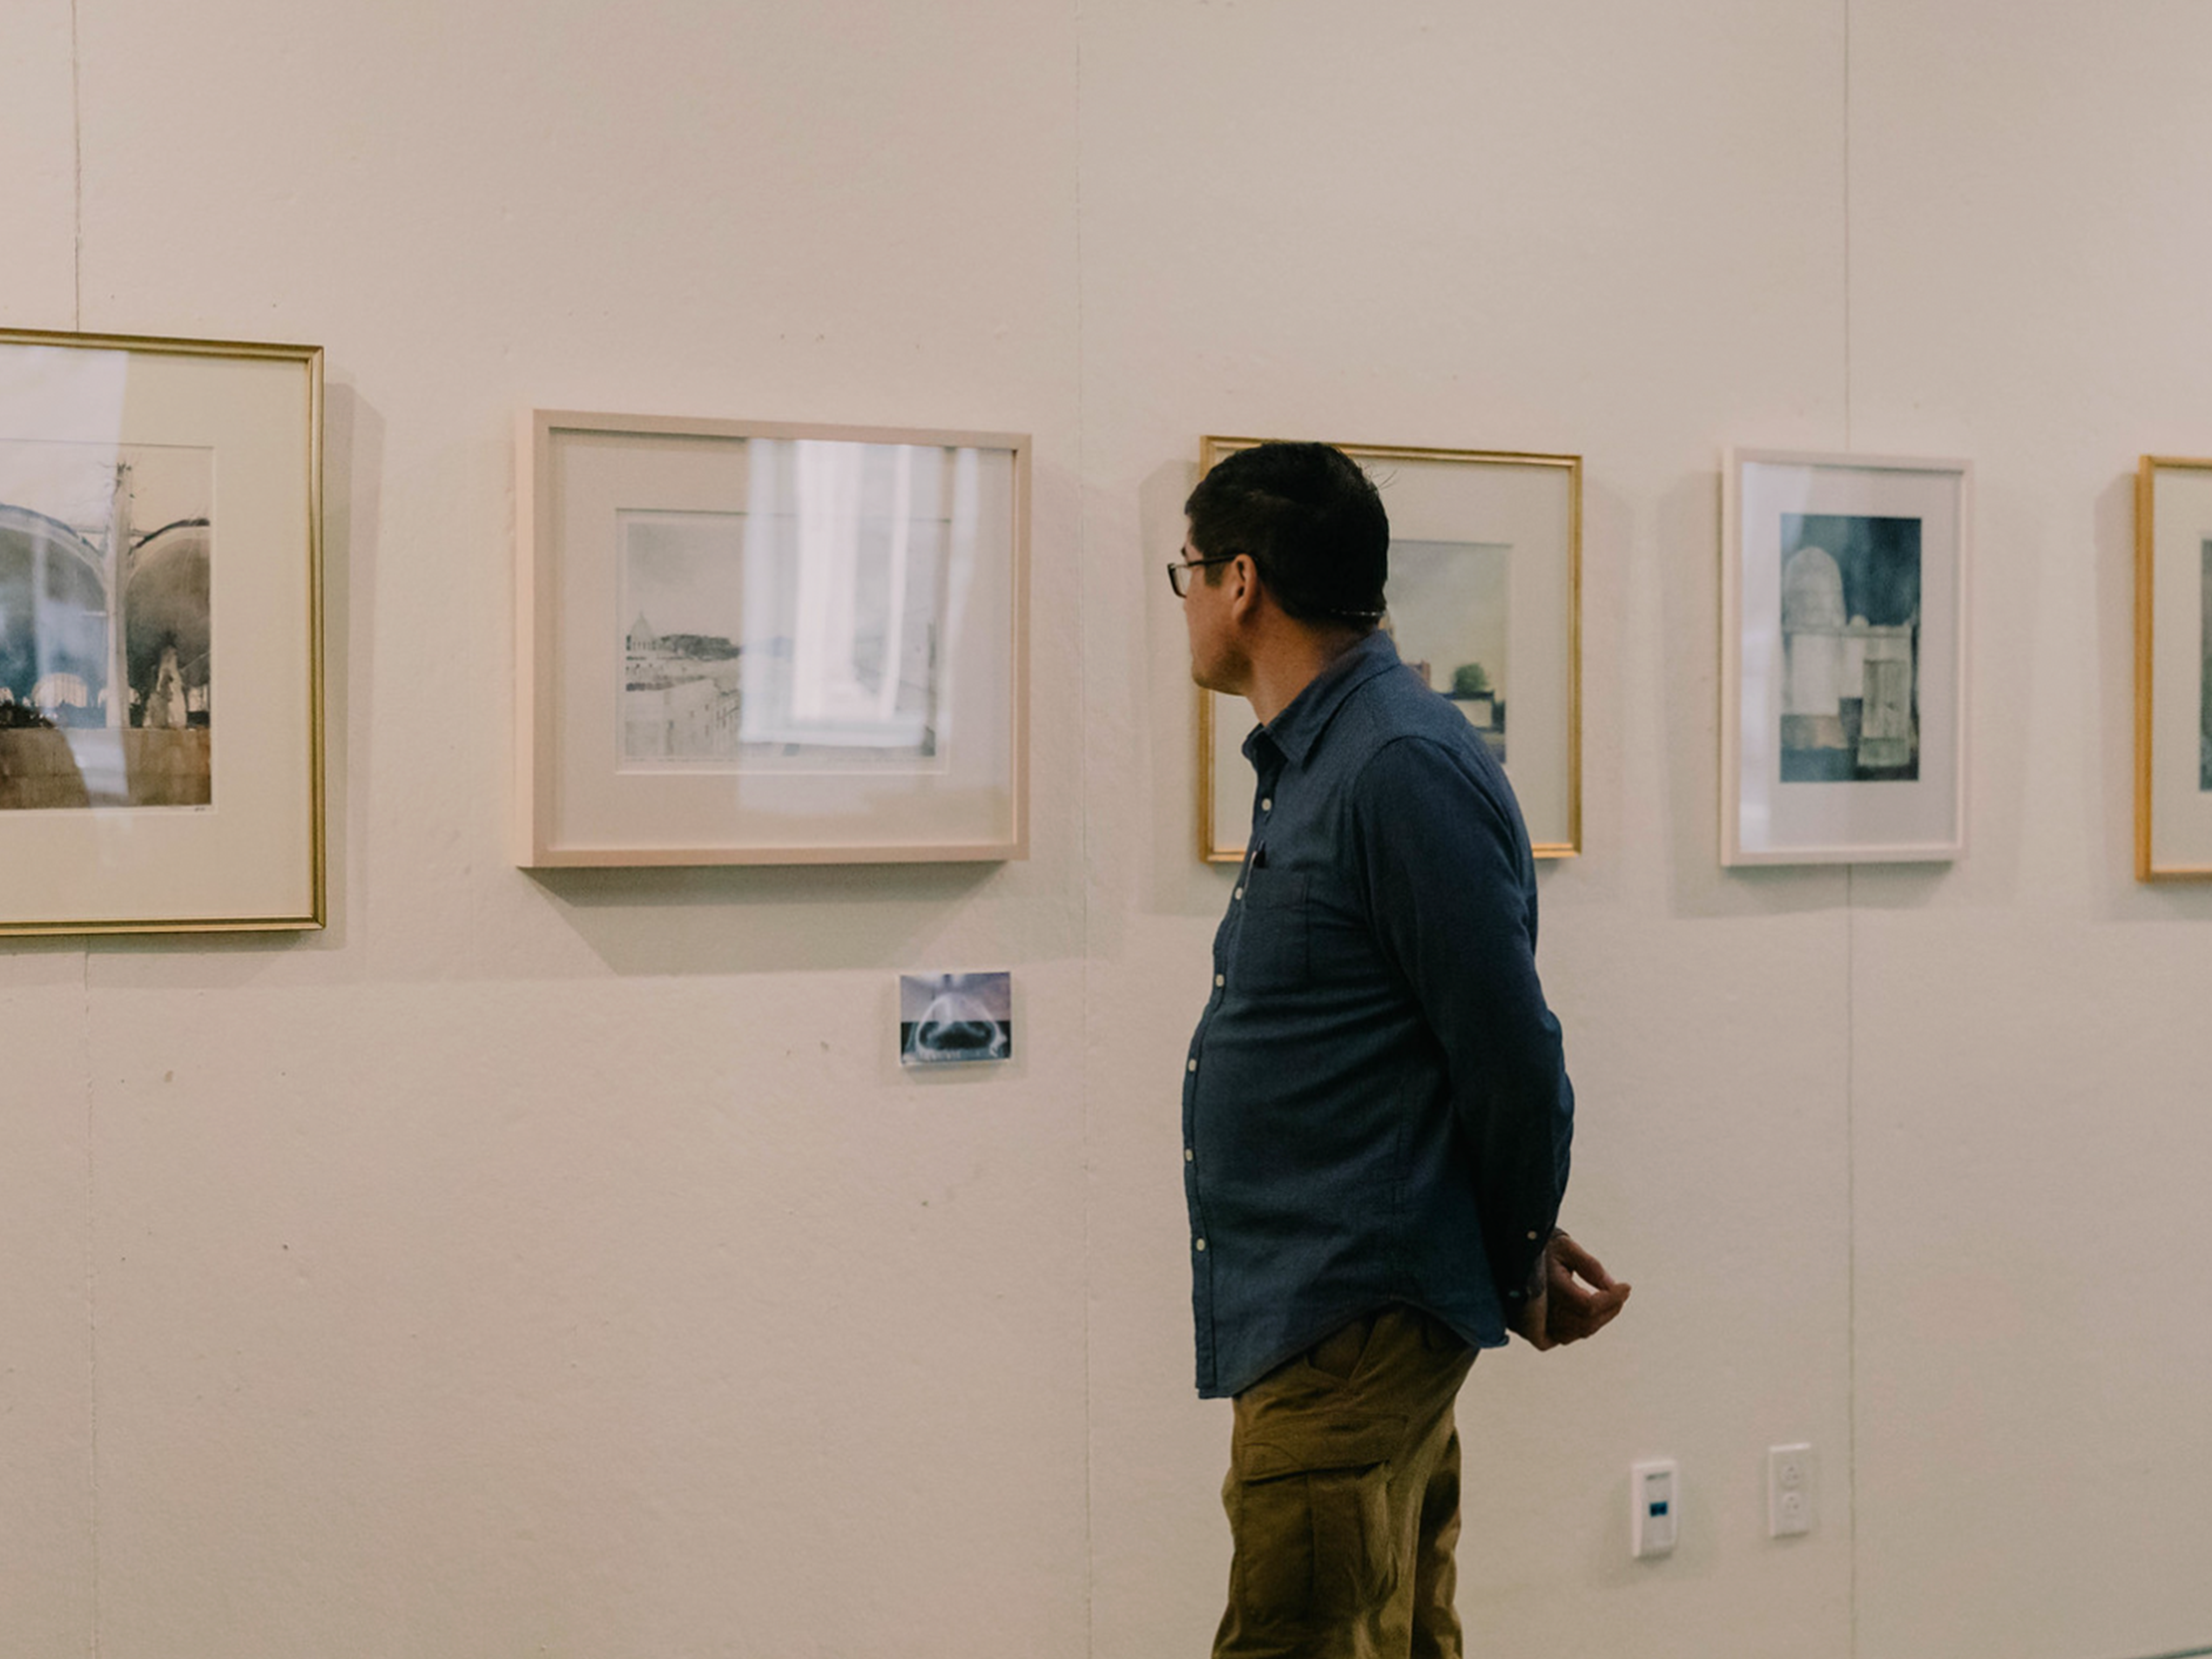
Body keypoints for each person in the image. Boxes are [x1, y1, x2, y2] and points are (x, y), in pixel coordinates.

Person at [1172, 441, 1629, 1659]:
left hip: (1349, 1323)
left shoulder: (1393, 765)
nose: (1186, 603)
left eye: (1186, 572)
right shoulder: (1333, 754)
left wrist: (1516, 1249)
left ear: (1239, 582)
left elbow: (1510, 1051)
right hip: (1334, 1313)